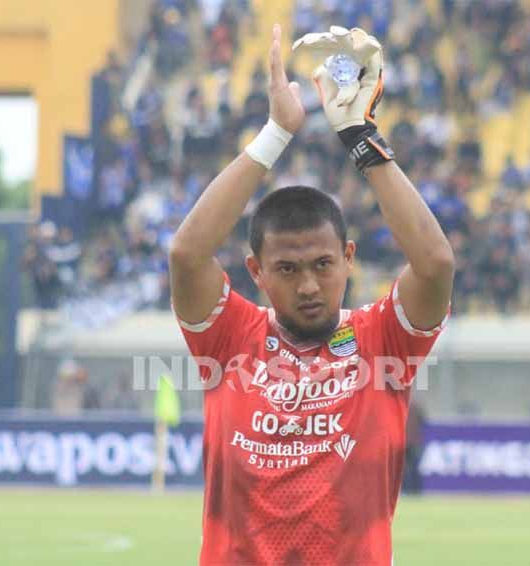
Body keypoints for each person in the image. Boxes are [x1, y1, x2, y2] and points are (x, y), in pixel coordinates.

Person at [168, 25, 454, 565]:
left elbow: (436, 264)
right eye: (287, 268)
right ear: (256, 271)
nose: (307, 285)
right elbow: (186, 254)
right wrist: (277, 132)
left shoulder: (381, 341)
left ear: (348, 258)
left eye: (323, 265)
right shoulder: (229, 338)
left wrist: (358, 135)